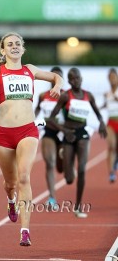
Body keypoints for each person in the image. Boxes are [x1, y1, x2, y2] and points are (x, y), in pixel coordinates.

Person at [0, 32, 63, 246]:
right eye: (9, 44)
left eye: (17, 44)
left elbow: (56, 77)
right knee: (10, 183)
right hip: (4, 134)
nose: (14, 47)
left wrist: (57, 86)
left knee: (24, 177)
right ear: (3, 50)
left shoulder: (30, 69)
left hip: (27, 131)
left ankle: (25, 230)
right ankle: (11, 200)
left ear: (23, 49)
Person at [48, 67, 107, 218]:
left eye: (77, 78)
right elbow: (51, 118)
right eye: (72, 78)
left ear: (81, 78)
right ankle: (65, 159)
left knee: (81, 169)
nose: (75, 81)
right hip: (68, 134)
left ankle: (78, 206)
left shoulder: (88, 96)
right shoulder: (65, 97)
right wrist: (63, 130)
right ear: (68, 81)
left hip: (82, 134)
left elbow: (98, 114)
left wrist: (101, 123)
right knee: (69, 180)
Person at [35, 66, 64, 209]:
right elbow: (37, 109)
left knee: (60, 167)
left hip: (64, 132)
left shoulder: (66, 95)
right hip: (49, 131)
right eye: (54, 76)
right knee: (50, 164)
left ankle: (63, 162)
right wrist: (29, 121)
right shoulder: (42, 96)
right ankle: (52, 198)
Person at [101, 68, 118, 183]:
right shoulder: (106, 93)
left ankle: (115, 161)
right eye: (110, 77)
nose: (112, 79)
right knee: (111, 146)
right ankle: (111, 172)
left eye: (113, 77)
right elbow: (105, 105)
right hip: (111, 122)